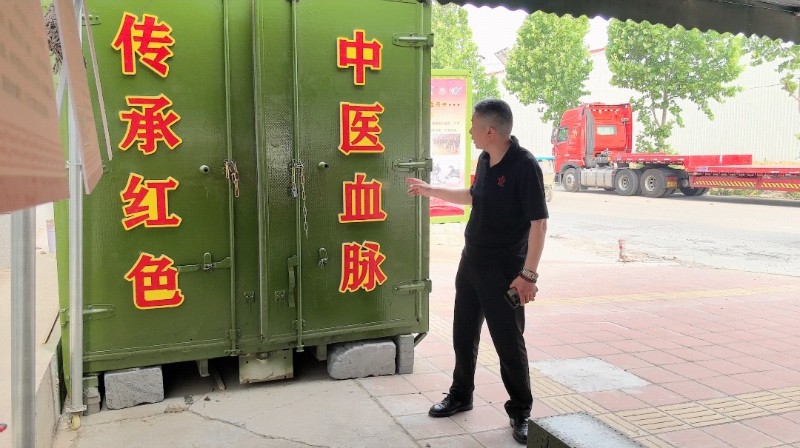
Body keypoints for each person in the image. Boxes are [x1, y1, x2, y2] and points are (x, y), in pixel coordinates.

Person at [406, 99, 548, 445]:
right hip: (471, 263)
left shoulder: (524, 166)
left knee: (508, 344)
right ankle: (461, 394)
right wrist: (430, 190)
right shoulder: (485, 159)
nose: (469, 131)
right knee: (463, 334)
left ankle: (520, 411)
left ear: (490, 130)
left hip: (504, 271)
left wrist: (528, 275)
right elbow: (474, 196)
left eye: (473, 125)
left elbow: (539, 223)